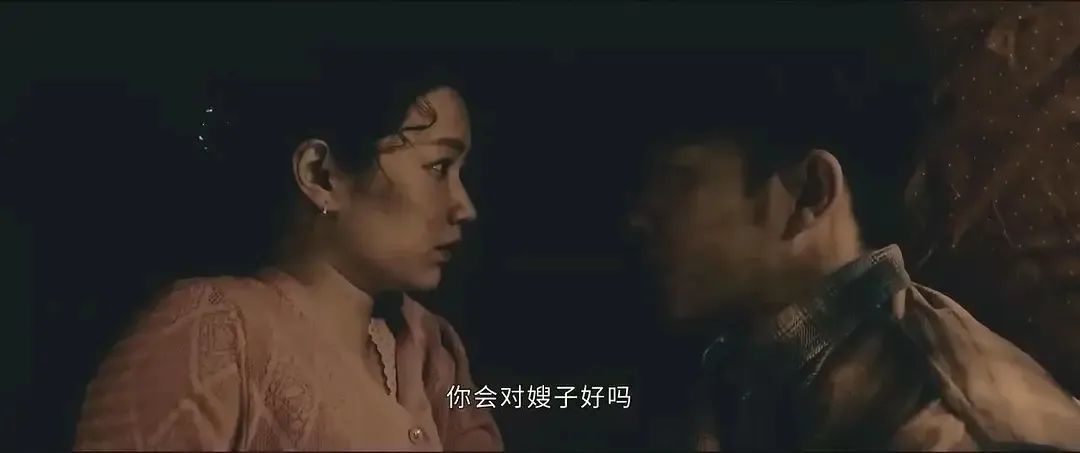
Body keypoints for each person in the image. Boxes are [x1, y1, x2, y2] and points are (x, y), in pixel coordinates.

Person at [628, 53, 1080, 450]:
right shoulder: (740, 375)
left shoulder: (936, 428)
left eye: (677, 179)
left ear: (812, 192)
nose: (638, 217)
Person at [73, 50, 503, 451]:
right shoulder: (211, 332)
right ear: (321, 175)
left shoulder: (432, 347)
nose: (464, 206)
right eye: (437, 167)